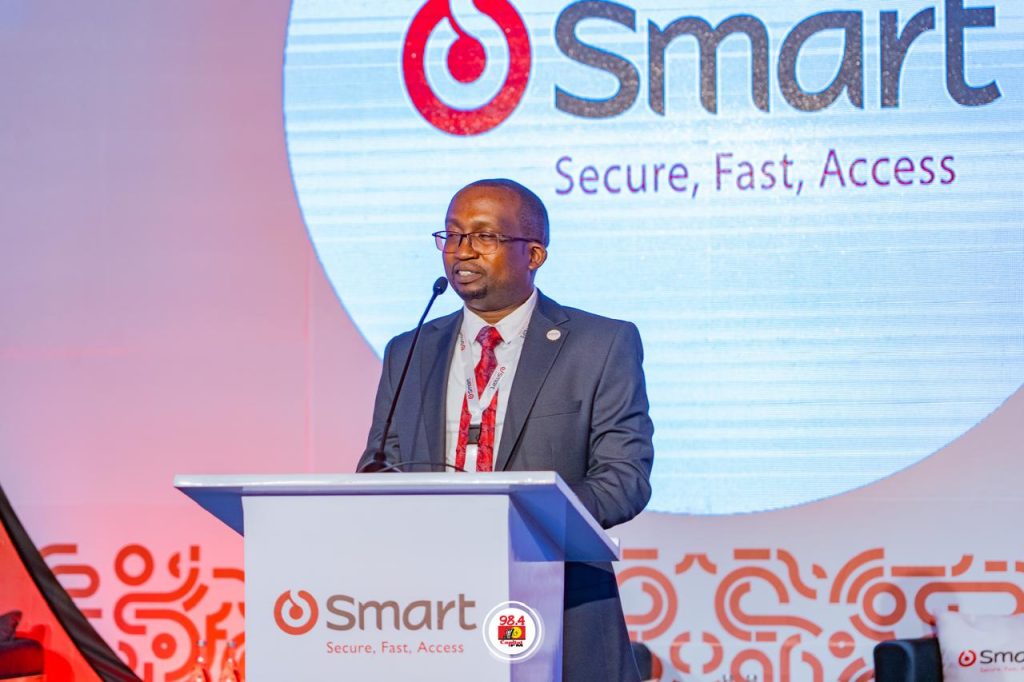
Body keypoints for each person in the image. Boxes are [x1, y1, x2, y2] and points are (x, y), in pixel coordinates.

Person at [357, 178, 654, 682]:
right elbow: (379, 464)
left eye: (484, 236)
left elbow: (623, 479)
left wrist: (518, 523)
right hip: (428, 611)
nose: (462, 250)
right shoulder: (410, 351)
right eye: (452, 235)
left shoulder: (600, 345)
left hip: (557, 603)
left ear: (534, 254)